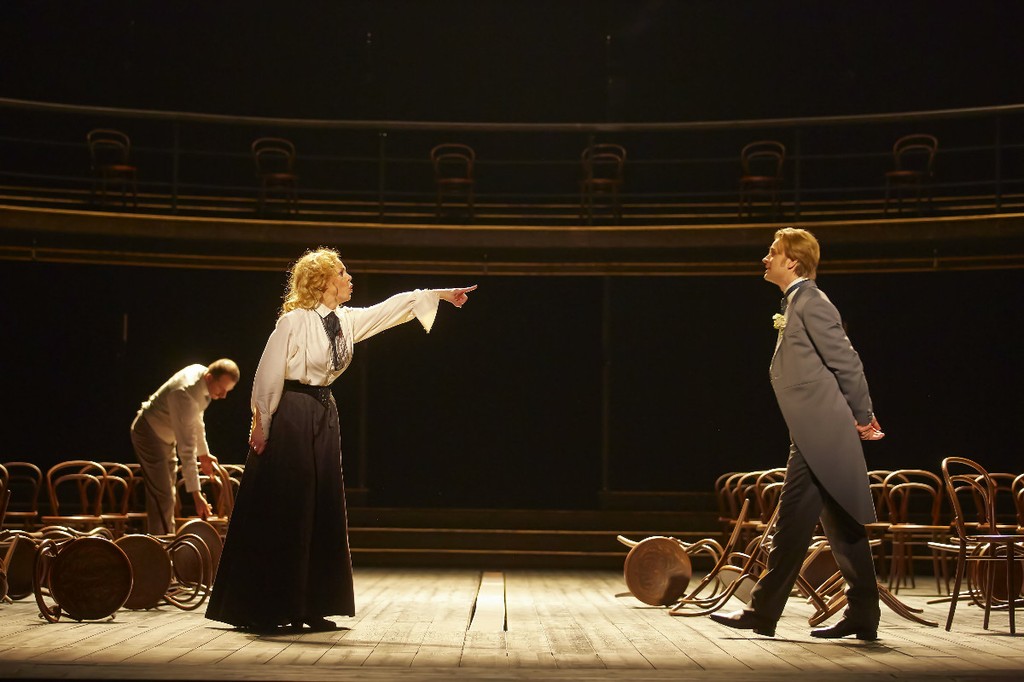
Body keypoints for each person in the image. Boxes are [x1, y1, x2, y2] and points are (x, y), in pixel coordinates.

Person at [205, 247, 476, 632]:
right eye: (343, 273)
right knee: (290, 503)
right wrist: (261, 420)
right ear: (323, 281)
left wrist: (440, 295)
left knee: (321, 504)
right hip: (293, 412)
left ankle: (310, 605)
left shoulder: (345, 321)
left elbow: (390, 309)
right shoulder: (294, 321)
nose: (350, 279)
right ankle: (269, 605)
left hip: (323, 412)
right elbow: (268, 372)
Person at [710, 227, 885, 641]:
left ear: (792, 261)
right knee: (840, 525)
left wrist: (863, 415)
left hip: (823, 431)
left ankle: (762, 611)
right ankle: (862, 613)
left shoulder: (812, 301)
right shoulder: (796, 302)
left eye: (772, 252)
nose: (765, 258)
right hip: (813, 429)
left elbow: (847, 362)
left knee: (793, 521)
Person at [130, 359, 240, 534]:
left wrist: (203, 454)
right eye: (221, 389)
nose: (223, 395)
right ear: (209, 377)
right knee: (163, 495)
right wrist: (196, 495)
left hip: (166, 437)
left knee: (168, 494)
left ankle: (163, 539)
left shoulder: (201, 377)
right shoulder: (184, 393)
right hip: (149, 434)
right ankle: (161, 543)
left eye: (227, 391)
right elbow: (187, 449)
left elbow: (197, 420)